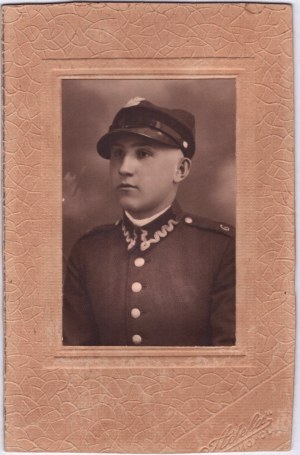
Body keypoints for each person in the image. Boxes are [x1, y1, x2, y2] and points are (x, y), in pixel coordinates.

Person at [63, 97, 235, 346]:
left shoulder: (220, 249)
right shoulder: (88, 251)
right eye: (118, 153)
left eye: (143, 153)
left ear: (181, 170)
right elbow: (73, 363)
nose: (124, 167)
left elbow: (231, 366)